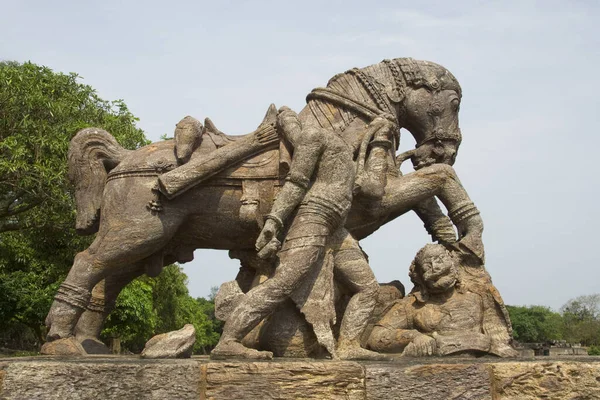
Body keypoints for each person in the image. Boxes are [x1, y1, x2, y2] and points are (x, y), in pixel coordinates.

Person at [211, 107, 391, 360]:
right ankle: (228, 342)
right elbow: (296, 183)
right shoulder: (314, 136)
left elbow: (372, 188)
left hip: (335, 229)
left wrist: (380, 139)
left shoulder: (345, 155)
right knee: (283, 283)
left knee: (368, 288)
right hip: (313, 219)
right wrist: (274, 221)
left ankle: (349, 345)